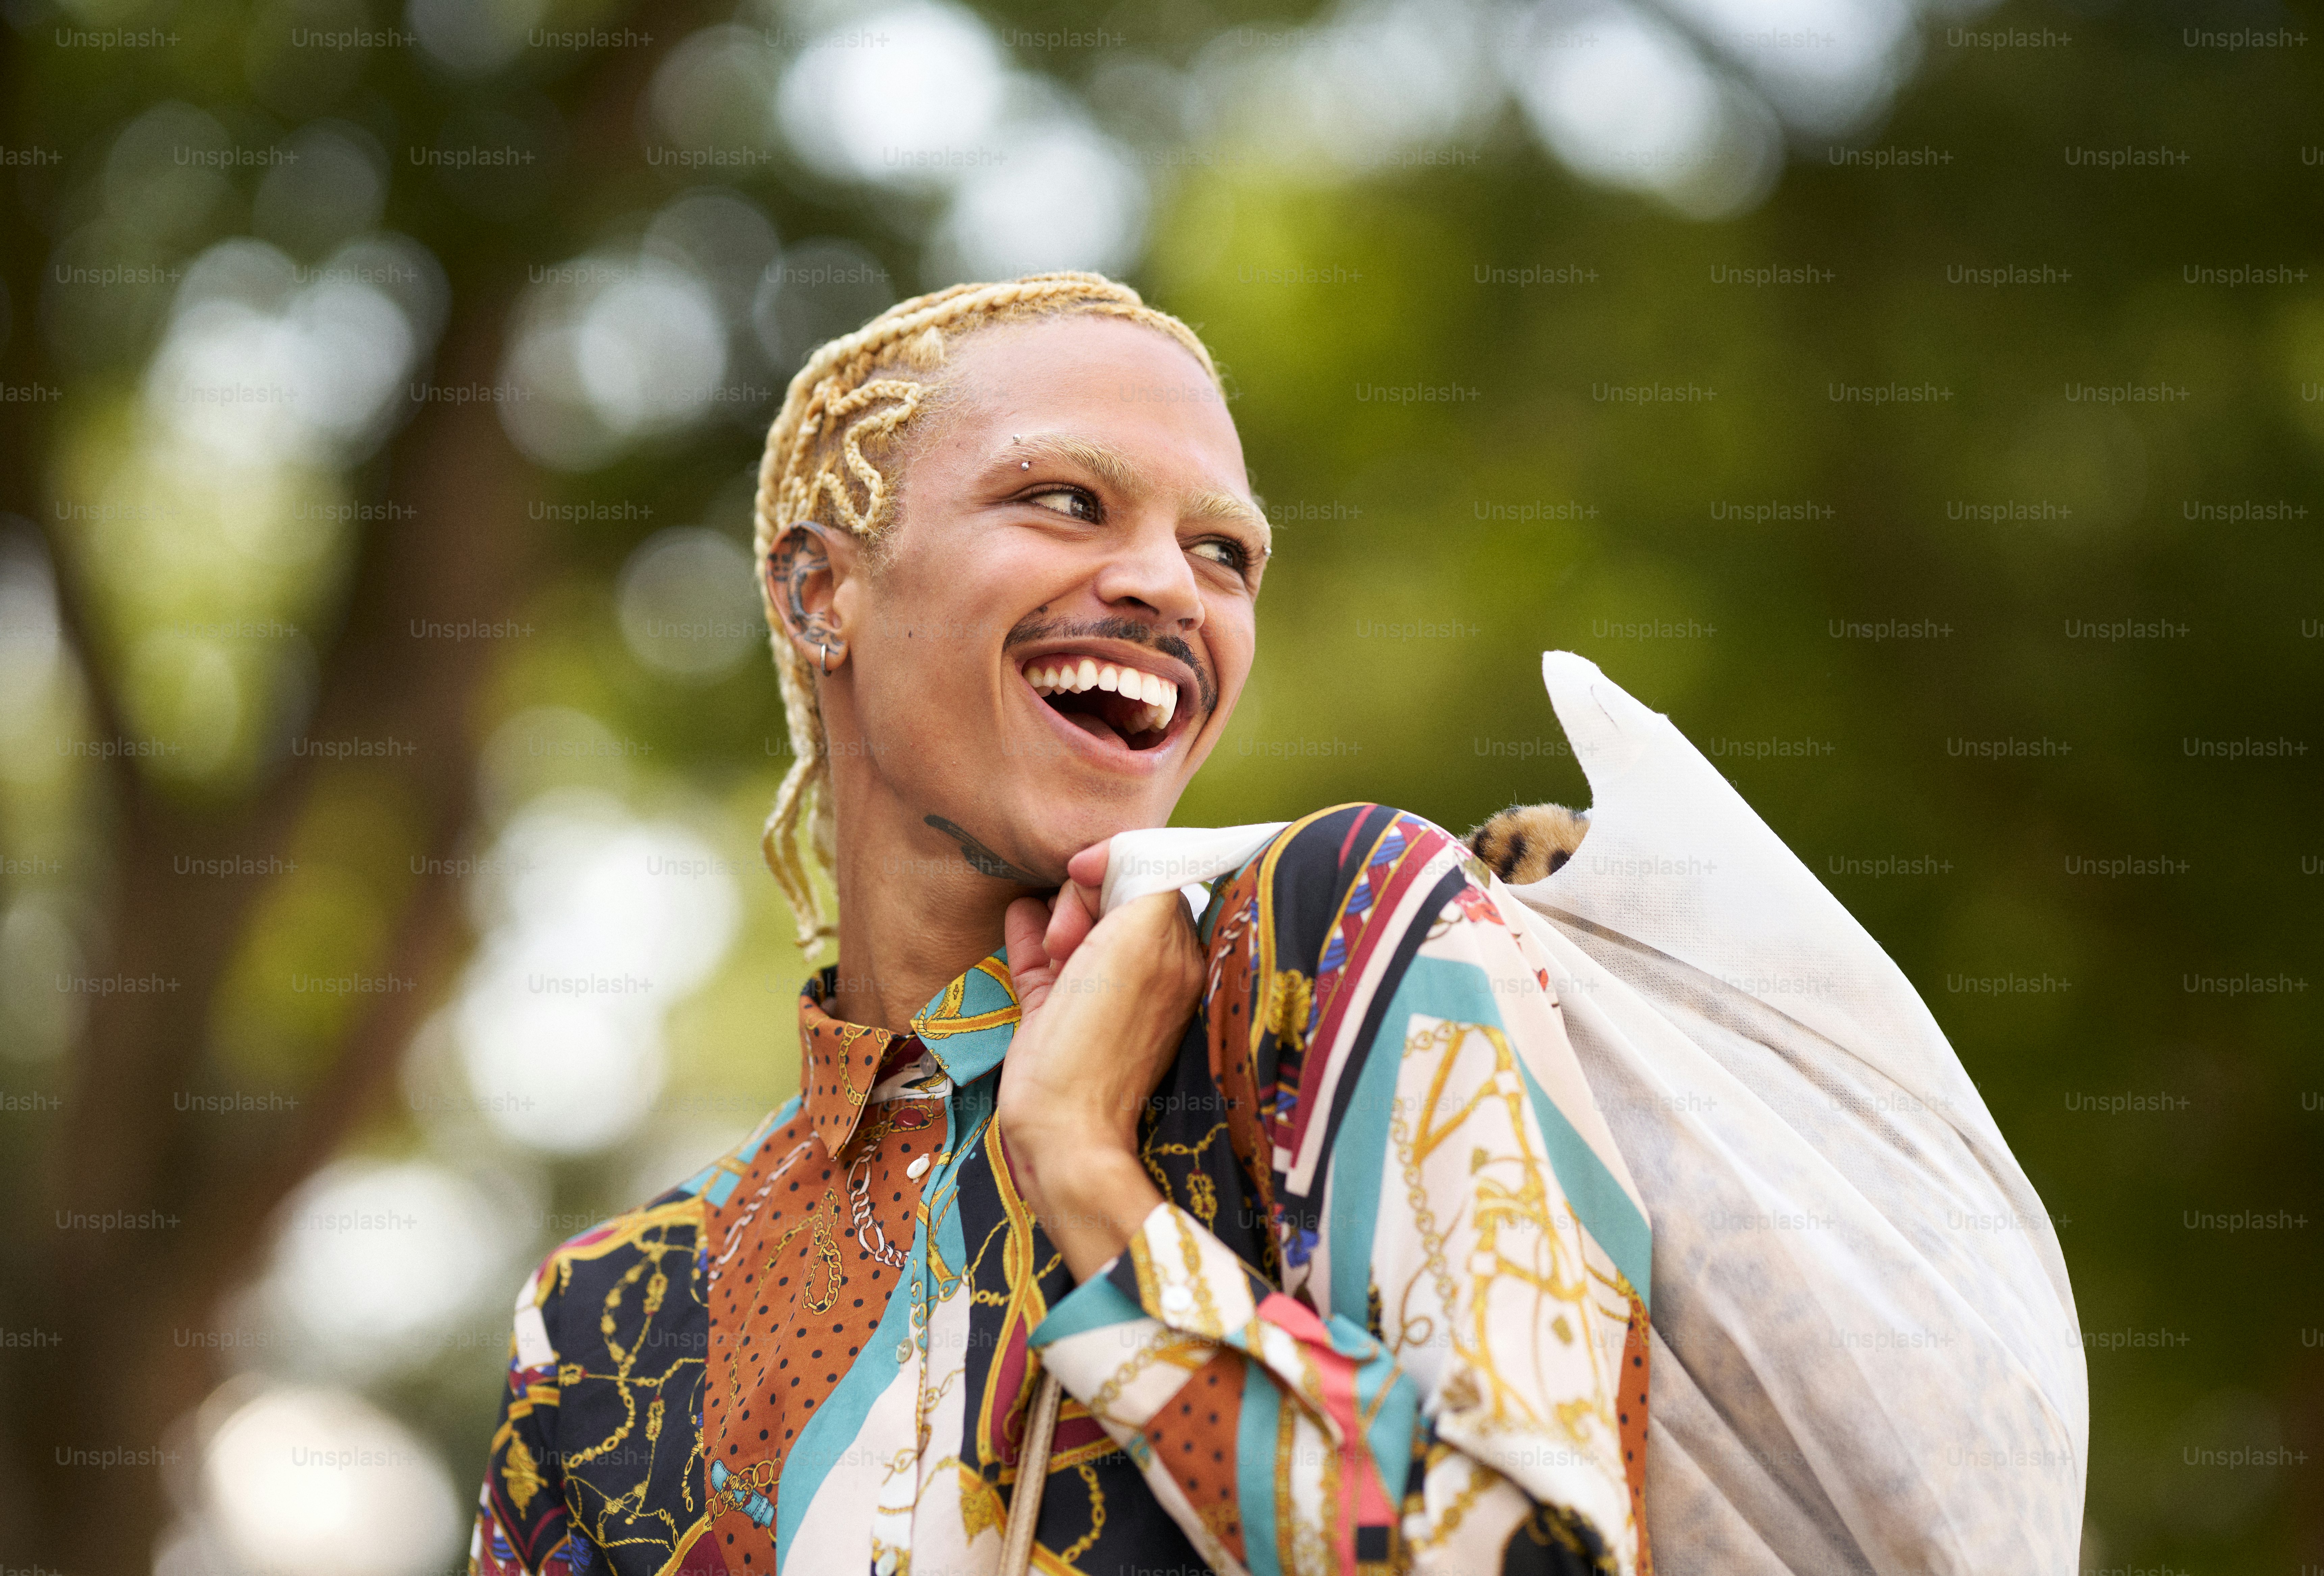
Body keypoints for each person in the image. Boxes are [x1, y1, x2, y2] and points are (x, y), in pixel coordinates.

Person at [465, 273, 1654, 1576]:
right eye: (1066, 501)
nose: (1167, 586)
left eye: (1226, 553)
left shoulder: (1336, 953)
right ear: (821, 593)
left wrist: (1087, 1170)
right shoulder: (606, 1319)